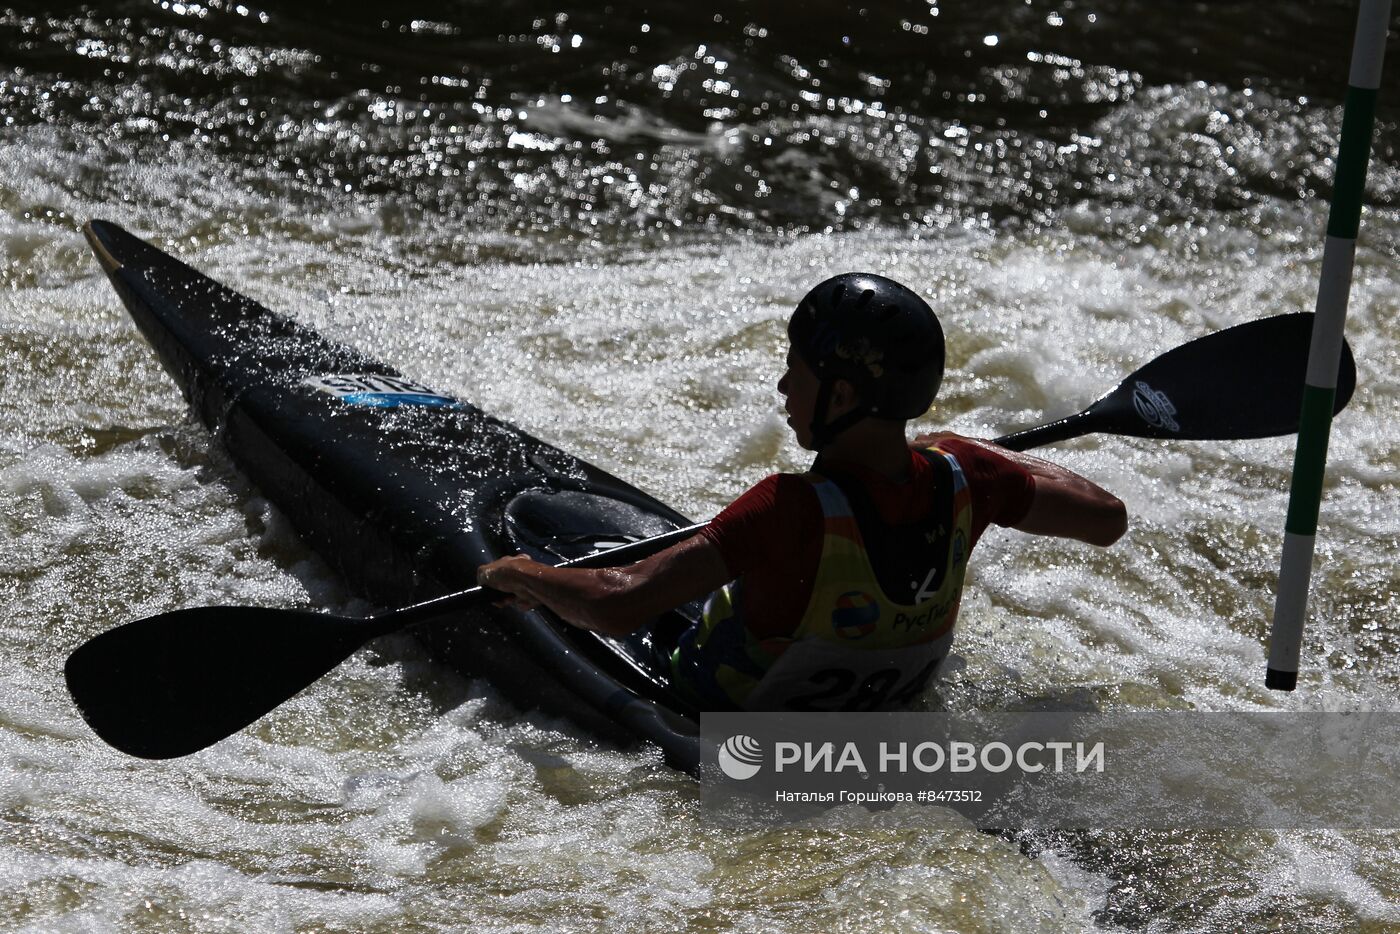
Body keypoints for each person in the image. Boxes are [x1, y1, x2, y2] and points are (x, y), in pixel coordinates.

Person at [477, 272, 1127, 711]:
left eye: (797, 372)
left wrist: (525, 575)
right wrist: (979, 452)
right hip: (880, 715)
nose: (785, 391)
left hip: (726, 715)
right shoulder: (971, 477)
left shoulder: (787, 511)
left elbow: (622, 603)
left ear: (842, 395)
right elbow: (1106, 518)